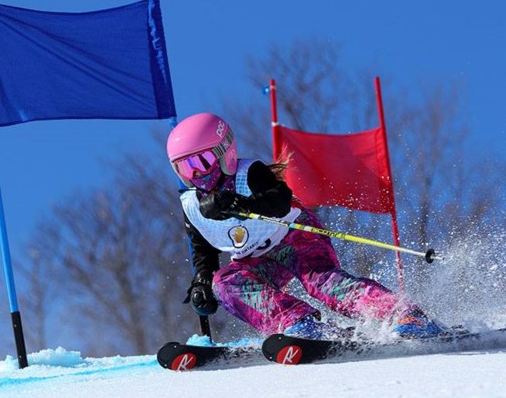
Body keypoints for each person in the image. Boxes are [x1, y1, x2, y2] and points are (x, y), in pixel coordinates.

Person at [166, 112, 444, 340]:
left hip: (294, 236)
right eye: (184, 168)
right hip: (255, 258)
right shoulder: (191, 205)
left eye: (202, 161)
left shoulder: (249, 173)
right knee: (225, 283)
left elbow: (280, 200)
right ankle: (299, 324)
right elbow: (203, 251)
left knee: (321, 282)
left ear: (225, 151)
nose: (197, 174)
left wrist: (242, 205)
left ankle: (404, 315)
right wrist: (202, 283)